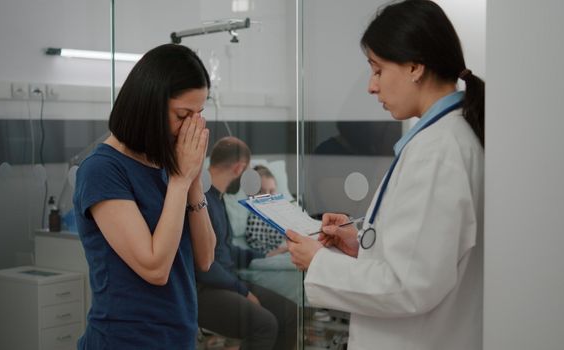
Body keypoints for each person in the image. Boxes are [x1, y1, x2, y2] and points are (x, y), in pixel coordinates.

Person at [286, 1, 485, 349]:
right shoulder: (439, 140)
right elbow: (420, 256)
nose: (371, 87)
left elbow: (409, 285)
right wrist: (362, 242)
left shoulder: (438, 151)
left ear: (414, 67)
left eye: (377, 70)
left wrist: (318, 262)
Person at [73, 43, 216, 349]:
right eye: (182, 115)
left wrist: (192, 179)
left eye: (199, 115)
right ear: (149, 106)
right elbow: (154, 268)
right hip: (125, 340)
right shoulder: (102, 169)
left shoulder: (167, 164)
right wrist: (179, 180)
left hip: (176, 338)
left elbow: (205, 257)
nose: (191, 127)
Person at [196, 136, 297, 350]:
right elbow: (204, 263)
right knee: (265, 325)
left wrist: (265, 256)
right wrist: (242, 290)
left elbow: (225, 250)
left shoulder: (218, 199)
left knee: (291, 315)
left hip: (227, 280)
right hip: (206, 288)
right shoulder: (201, 203)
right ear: (239, 168)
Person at [245, 165, 289, 256]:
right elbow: (264, 254)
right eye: (261, 192)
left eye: (272, 191)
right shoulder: (255, 219)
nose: (268, 196)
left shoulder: (284, 209)